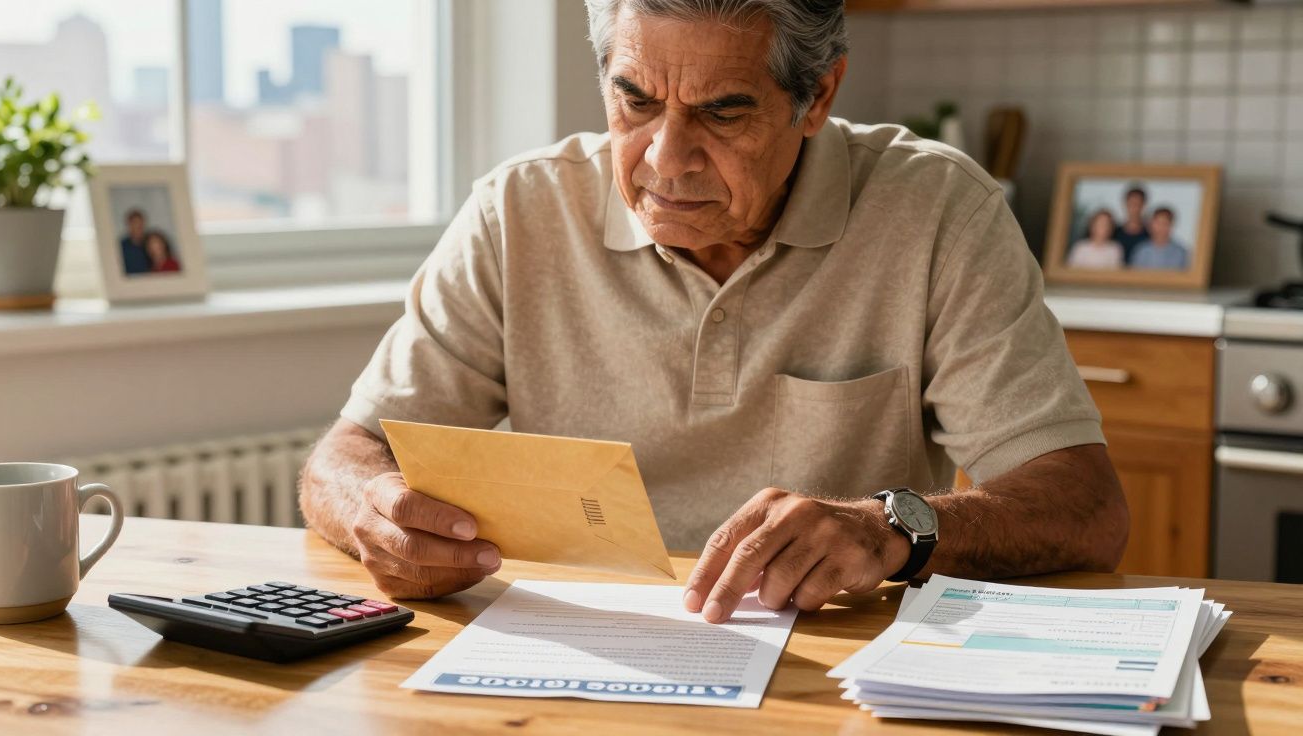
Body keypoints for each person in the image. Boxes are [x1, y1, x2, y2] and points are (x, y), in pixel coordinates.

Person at [299, 0, 1128, 624]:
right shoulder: (516, 212)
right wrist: (378, 511)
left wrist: (890, 527)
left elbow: (1087, 510)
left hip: (836, 665)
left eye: (722, 112)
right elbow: (345, 457)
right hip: (577, 647)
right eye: (634, 101)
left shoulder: (941, 210)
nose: (666, 160)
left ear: (817, 97)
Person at [1112, 185, 1149, 264]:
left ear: (1144, 206)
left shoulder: (1150, 235)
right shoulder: (1114, 233)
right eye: (1131, 204)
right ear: (1125, 204)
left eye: (1138, 204)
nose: (1134, 208)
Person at [120, 209, 152, 275]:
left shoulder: (151, 242)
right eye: (135, 224)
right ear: (129, 225)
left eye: (140, 225)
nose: (138, 227)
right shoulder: (121, 246)